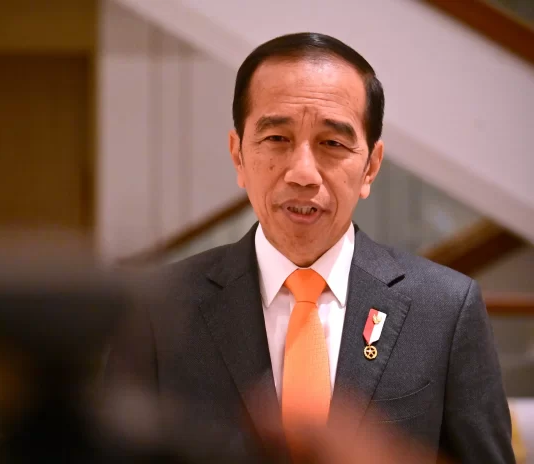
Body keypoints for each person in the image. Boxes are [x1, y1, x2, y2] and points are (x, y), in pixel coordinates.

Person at [104, 32, 515, 463]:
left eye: (332, 143)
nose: (303, 173)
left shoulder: (445, 309)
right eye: (277, 139)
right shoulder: (157, 309)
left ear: (371, 166)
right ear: (238, 155)